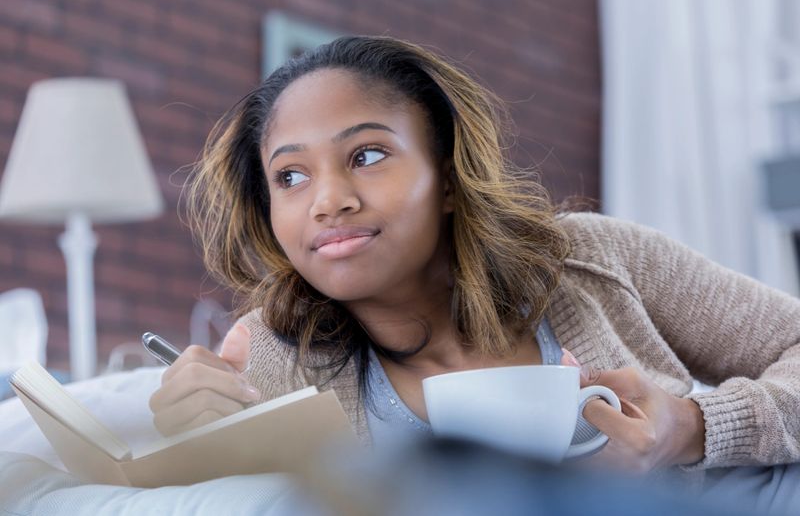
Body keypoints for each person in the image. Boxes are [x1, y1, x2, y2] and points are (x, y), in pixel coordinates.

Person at [148, 36, 800, 513]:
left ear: (450, 179)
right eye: (290, 175)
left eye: (367, 154)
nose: (327, 200)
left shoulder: (592, 260)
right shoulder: (271, 353)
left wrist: (687, 427)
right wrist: (193, 442)